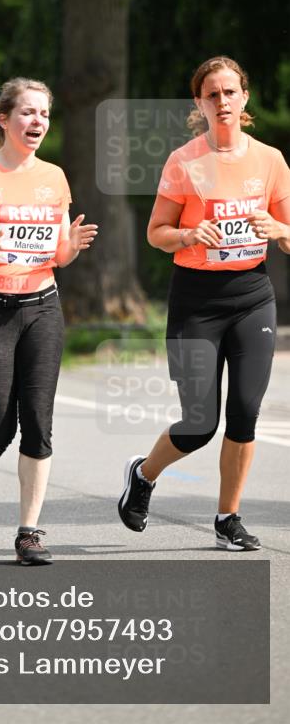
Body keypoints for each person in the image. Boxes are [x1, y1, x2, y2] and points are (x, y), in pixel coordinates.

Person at [118, 56, 290, 551]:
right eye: (211, 94)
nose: (222, 101)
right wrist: (189, 233)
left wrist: (280, 230)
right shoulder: (184, 161)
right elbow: (156, 233)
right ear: (199, 103)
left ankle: (227, 517)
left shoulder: (270, 160)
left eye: (230, 92)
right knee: (199, 424)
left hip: (253, 296)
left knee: (244, 414)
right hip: (196, 301)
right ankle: (145, 474)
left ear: (245, 98)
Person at [0, 78, 98, 565]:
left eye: (44, 115)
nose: (37, 122)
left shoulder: (55, 177)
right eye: (27, 113)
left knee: (39, 425)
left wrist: (68, 246)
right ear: (4, 119)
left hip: (42, 306)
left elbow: (57, 255)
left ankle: (29, 532)